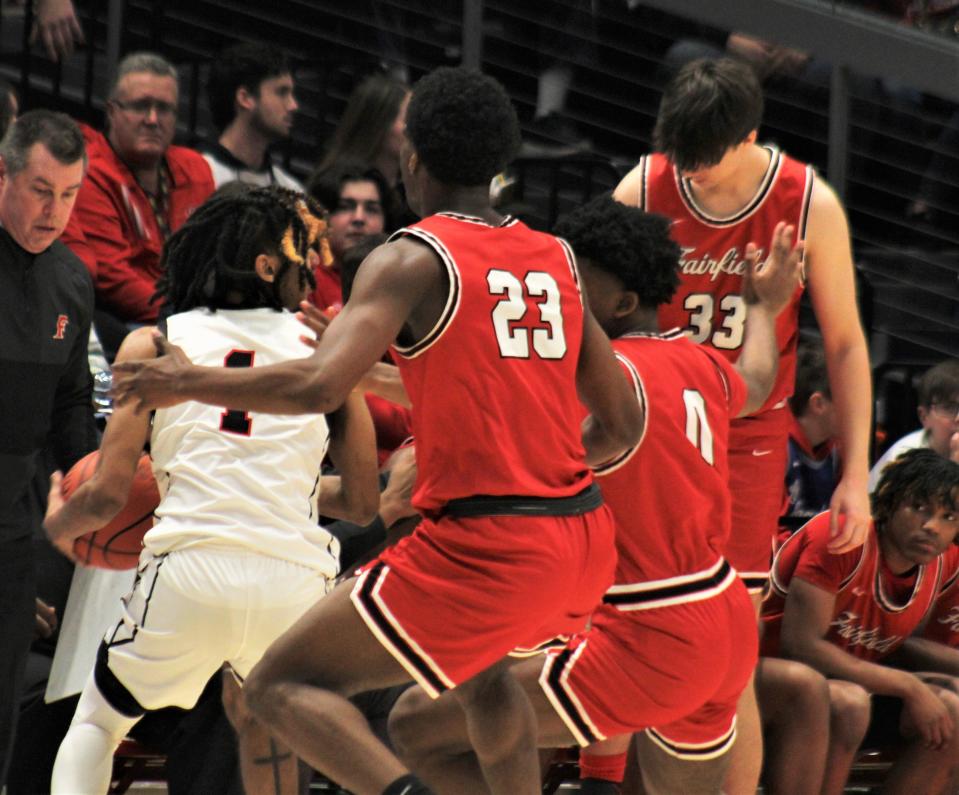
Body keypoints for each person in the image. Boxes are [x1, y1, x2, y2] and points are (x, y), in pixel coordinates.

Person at [112, 65, 643, 795]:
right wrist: (535, 472)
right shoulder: (557, 259)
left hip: (487, 544)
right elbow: (619, 424)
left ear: (412, 158)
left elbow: (313, 385)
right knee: (486, 678)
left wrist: (184, 382)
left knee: (276, 684)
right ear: (499, 163)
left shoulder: (409, 256)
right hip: (579, 540)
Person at [387, 194, 802, 795]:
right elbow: (760, 383)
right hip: (725, 616)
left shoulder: (603, 378)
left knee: (416, 725)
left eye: (575, 283)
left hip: (651, 628)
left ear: (623, 302)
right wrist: (765, 307)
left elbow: (490, 397)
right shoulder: (700, 361)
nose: (560, 293)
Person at [48, 185, 380, 795]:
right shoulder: (328, 352)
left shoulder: (157, 342)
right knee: (278, 732)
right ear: (266, 266)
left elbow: (105, 495)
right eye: (303, 258)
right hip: (295, 581)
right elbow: (362, 503)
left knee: (98, 722)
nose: (313, 275)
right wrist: (283, 490)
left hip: (189, 573)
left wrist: (55, 528)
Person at [613, 56, 873, 794]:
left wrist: (853, 475)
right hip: (656, 428)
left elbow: (847, 343)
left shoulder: (804, 202)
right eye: (680, 160)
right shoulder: (642, 185)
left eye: (705, 161)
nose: (689, 175)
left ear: (750, 135)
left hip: (747, 437)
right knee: (633, 621)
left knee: (728, 646)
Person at [761, 448, 959, 795]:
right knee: (848, 704)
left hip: (846, 679)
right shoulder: (843, 536)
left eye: (948, 517)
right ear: (889, 502)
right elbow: (801, 646)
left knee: (953, 708)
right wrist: (908, 686)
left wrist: (937, 680)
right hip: (772, 676)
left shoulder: (939, 564)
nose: (932, 527)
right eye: (919, 509)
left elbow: (900, 645)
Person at [0, 109, 95, 788]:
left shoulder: (71, 280)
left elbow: (70, 406)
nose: (53, 210)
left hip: (13, 524)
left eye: (68, 194)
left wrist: (91, 482)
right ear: (2, 174)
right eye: (40, 189)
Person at [61, 51, 215, 328]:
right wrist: (185, 318)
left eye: (164, 108)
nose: (153, 119)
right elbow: (112, 277)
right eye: (141, 106)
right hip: (131, 322)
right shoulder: (89, 173)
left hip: (193, 316)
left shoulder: (196, 169)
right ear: (112, 111)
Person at [203, 42, 304, 191]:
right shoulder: (198, 179)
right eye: (282, 92)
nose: (293, 105)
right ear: (245, 98)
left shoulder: (291, 190)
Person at [307, 159, 392, 312]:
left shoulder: (395, 285)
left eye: (371, 209)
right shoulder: (303, 276)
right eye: (344, 207)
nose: (359, 218)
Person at [868, 359, 959, 492]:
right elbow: (935, 510)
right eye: (949, 408)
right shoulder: (905, 458)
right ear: (924, 416)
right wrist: (955, 469)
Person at [782, 338, 841, 531]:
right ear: (818, 404)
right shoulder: (776, 449)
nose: (860, 410)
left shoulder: (839, 454)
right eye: (849, 399)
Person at [315, 73, 410, 189]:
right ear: (379, 124)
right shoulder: (337, 187)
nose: (417, 128)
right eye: (407, 119)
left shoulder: (410, 192)